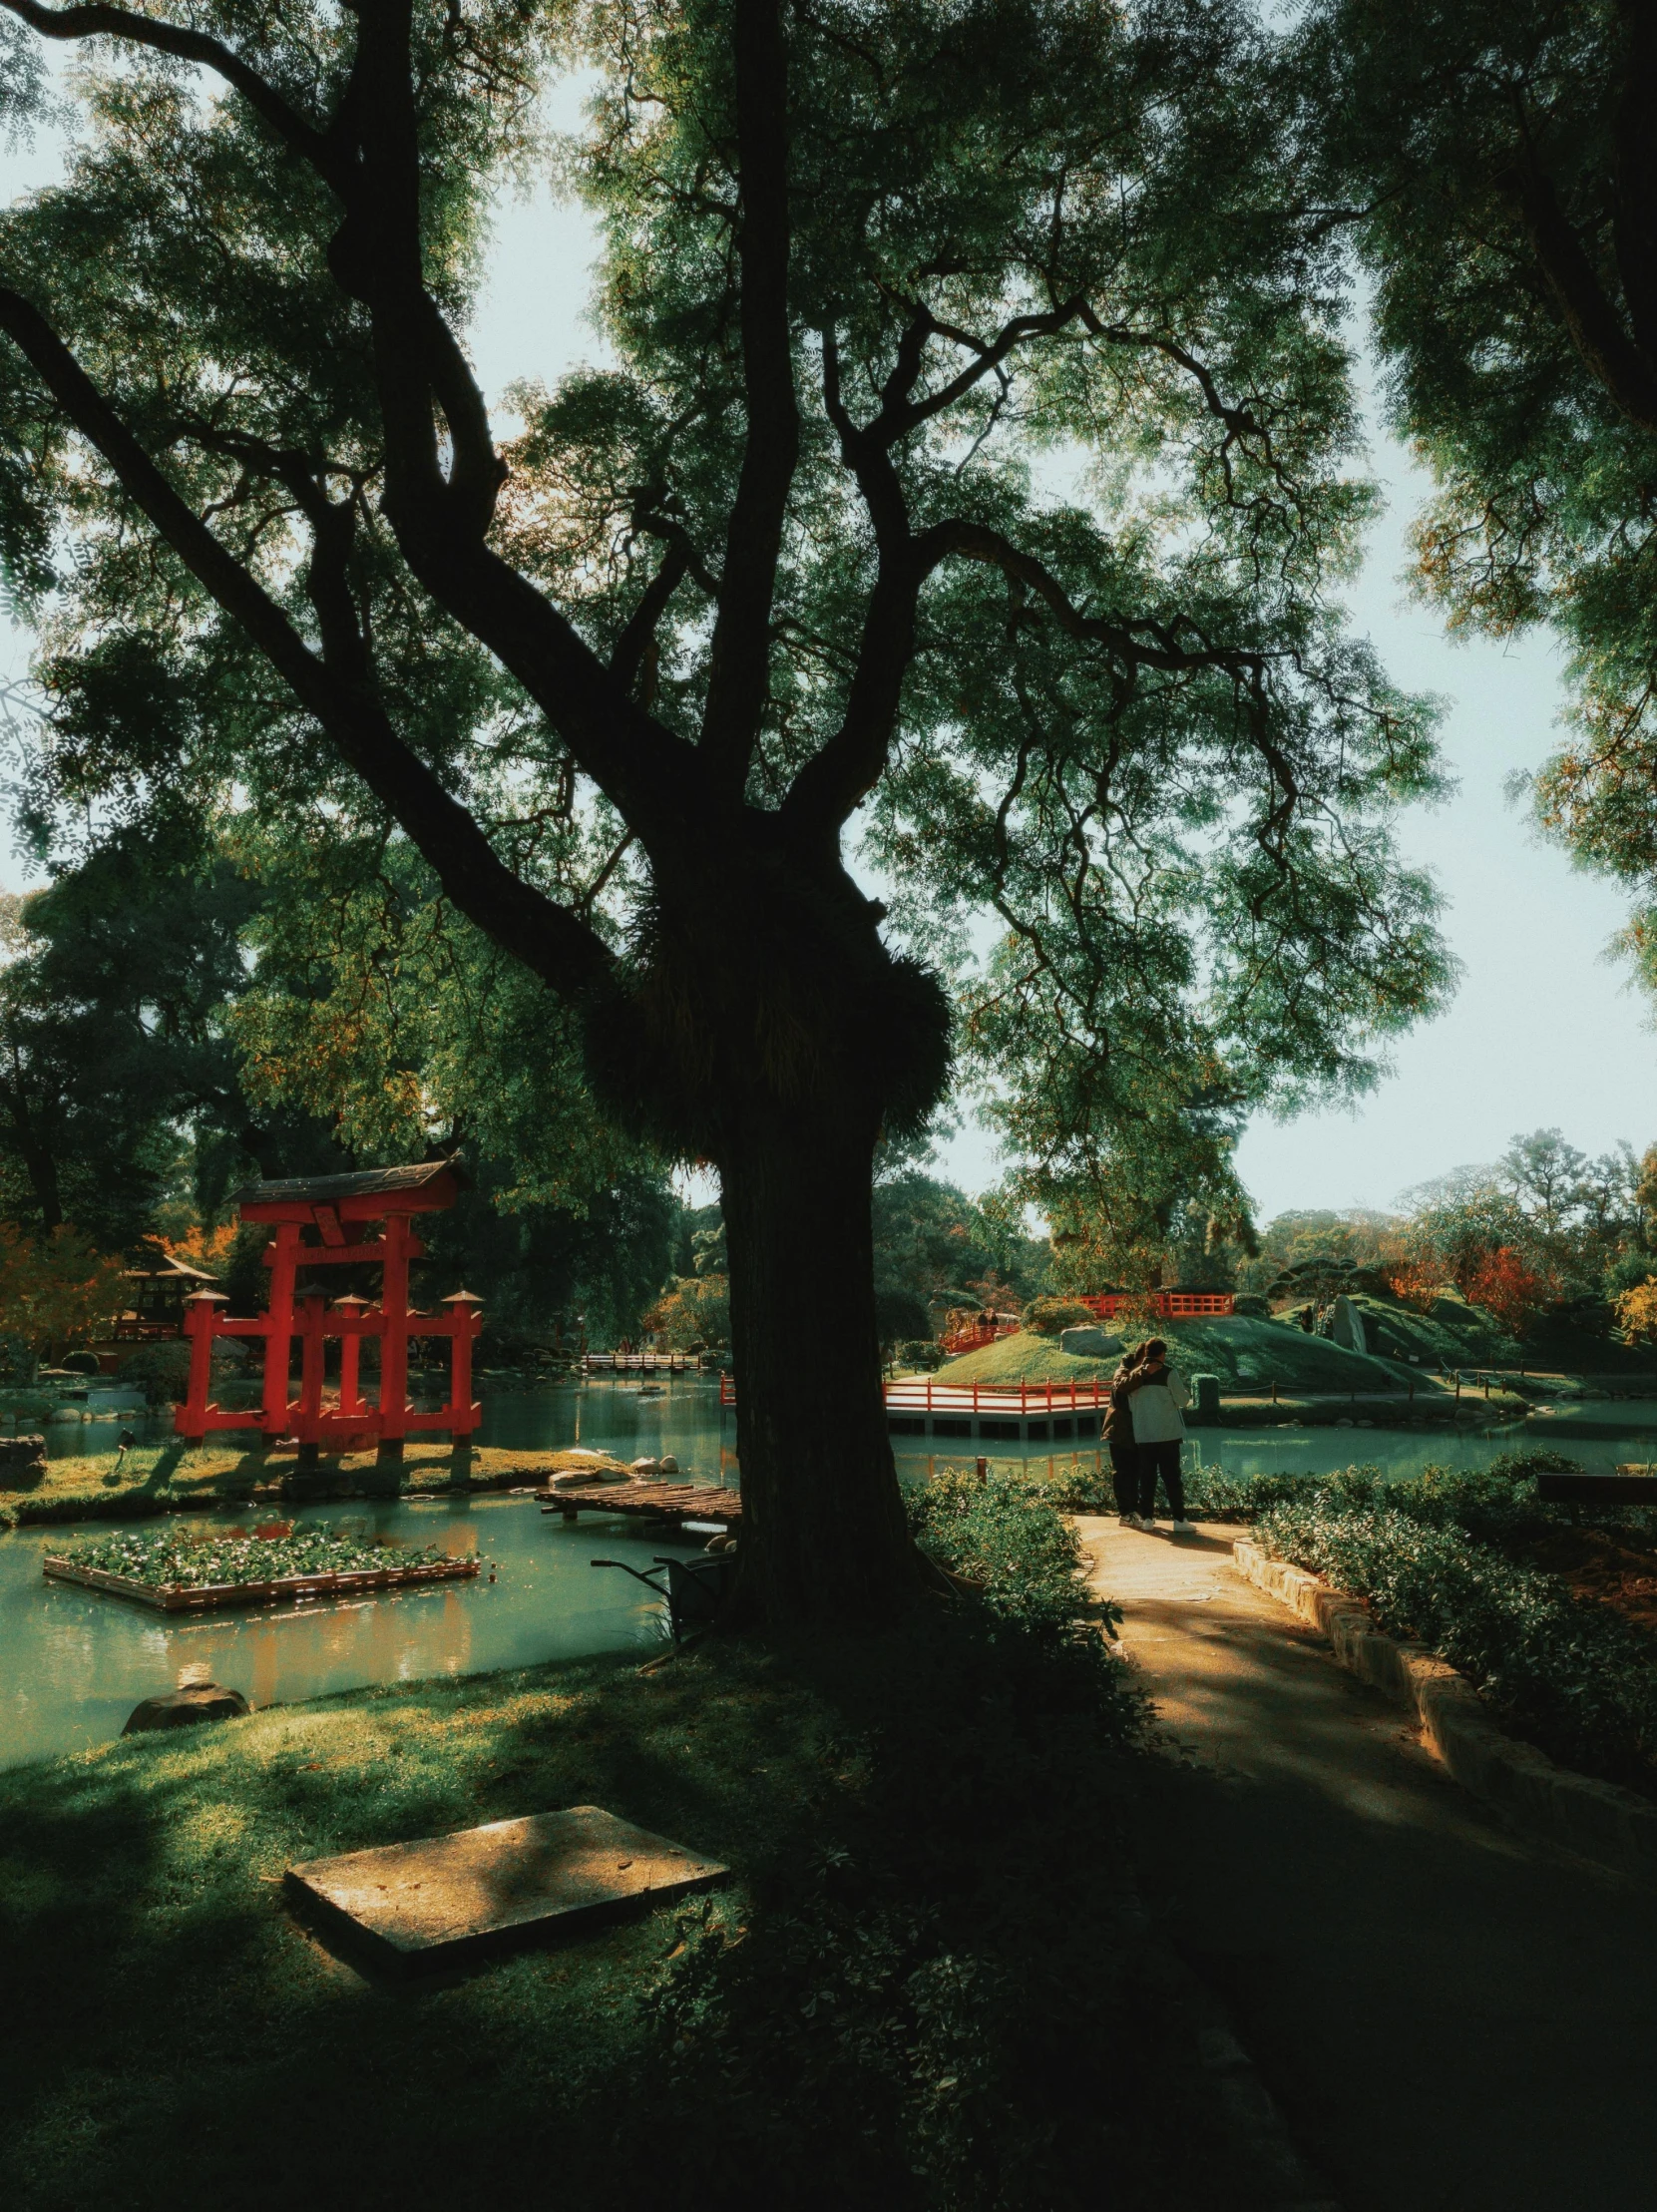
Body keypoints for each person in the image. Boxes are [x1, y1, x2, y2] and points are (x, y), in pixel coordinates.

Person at [1124, 1338, 1195, 1534]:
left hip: (1144, 1434)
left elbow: (1131, 1406)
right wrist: (1187, 1393)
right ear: (1162, 1353)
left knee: (1147, 1479)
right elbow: (1182, 1400)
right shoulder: (1168, 1373)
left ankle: (1147, 1518)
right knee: (1172, 1478)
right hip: (1167, 1434)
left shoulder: (1134, 1376)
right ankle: (1179, 1520)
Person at [1103, 1343, 1144, 1526]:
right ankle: (1125, 1513)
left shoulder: (1136, 1372)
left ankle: (1134, 1511)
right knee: (1122, 1472)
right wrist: (1145, 1372)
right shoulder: (1123, 1371)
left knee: (1135, 1472)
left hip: (1134, 1431)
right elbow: (1121, 1386)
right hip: (1119, 1430)